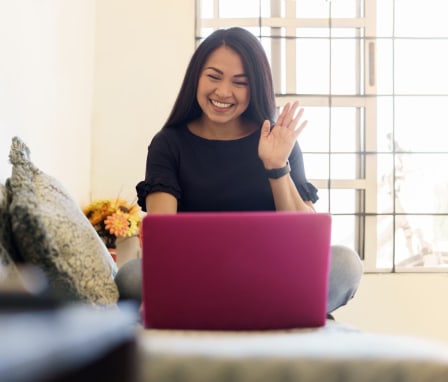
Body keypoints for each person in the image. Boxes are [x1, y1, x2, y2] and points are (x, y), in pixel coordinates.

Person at [115, 27, 363, 314]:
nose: (223, 92)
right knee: (131, 276)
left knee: (346, 263)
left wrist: (276, 167)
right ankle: (264, 314)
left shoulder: (278, 140)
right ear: (196, 77)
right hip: (198, 276)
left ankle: (219, 312)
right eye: (214, 77)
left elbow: (307, 243)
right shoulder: (168, 144)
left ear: (254, 87)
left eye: (240, 82)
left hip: (270, 274)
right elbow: (162, 234)